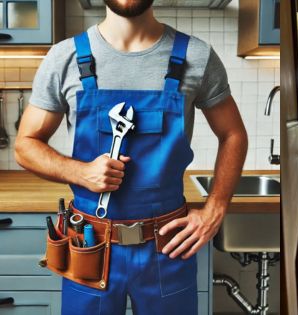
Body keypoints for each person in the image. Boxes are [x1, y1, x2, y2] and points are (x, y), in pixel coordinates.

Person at [14, 0, 248, 314]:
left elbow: (233, 134)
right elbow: (25, 146)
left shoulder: (197, 56)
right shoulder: (64, 58)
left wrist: (215, 208)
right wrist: (81, 172)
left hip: (167, 246)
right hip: (89, 244)